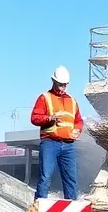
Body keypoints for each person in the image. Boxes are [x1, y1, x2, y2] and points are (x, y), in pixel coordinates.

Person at [30, 66, 83, 199]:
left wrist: (77, 130)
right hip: (50, 143)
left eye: (65, 85)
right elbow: (34, 118)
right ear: (53, 81)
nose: (62, 88)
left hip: (68, 145)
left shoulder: (72, 101)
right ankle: (39, 207)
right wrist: (50, 118)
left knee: (71, 179)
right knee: (46, 176)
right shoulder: (44, 98)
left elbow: (78, 120)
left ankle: (72, 211)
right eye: (60, 85)